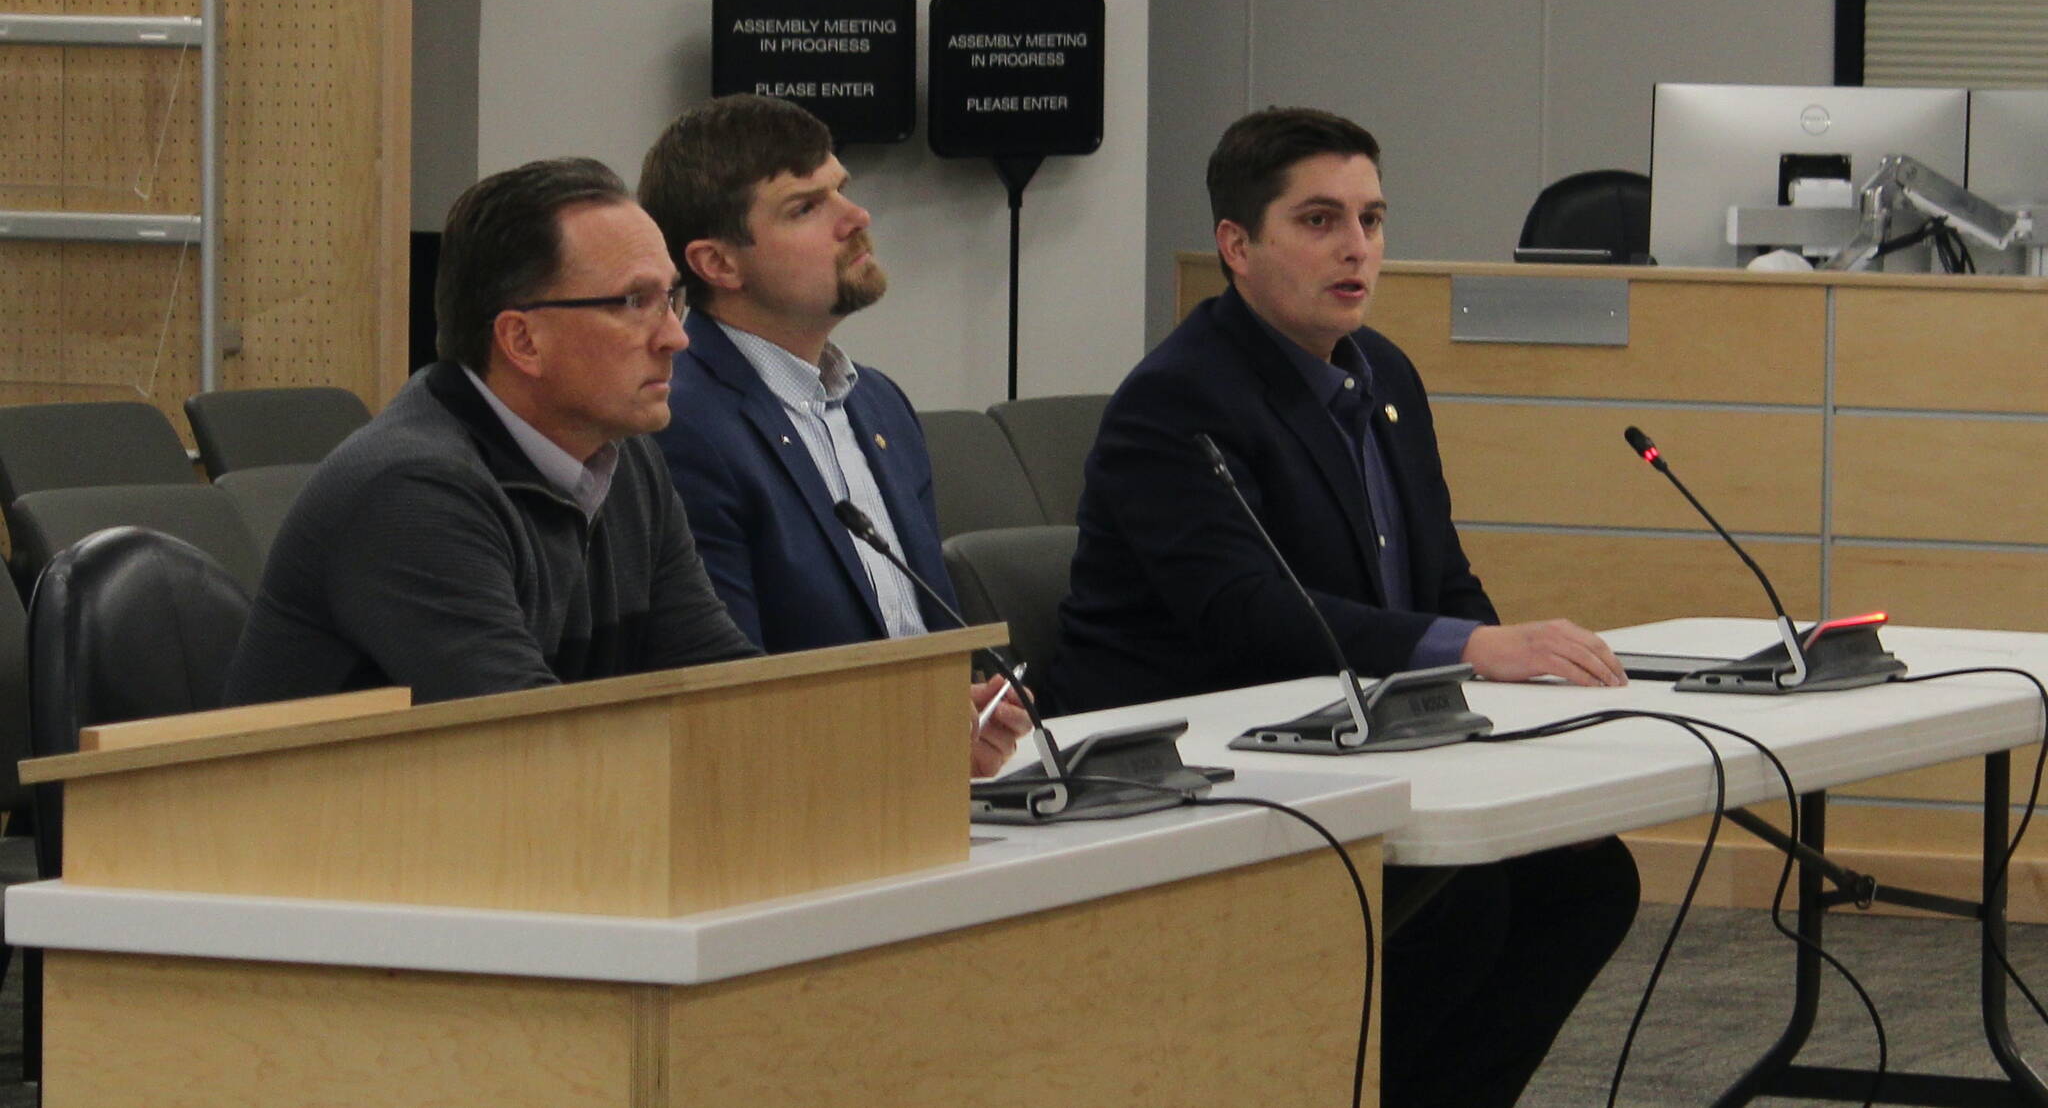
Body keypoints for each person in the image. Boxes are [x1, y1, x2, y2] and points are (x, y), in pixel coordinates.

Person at [1053, 107, 1639, 1108]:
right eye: (1318, 220)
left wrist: (1522, 725)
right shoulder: (1178, 399)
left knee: (1586, 879)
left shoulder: (1385, 375)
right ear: (1236, 247)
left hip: (1348, 740)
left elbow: (1441, 582)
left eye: (1370, 218)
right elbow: (1251, 615)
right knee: (1459, 910)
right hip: (1200, 754)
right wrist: (1480, 646)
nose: (1356, 248)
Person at [224, 155, 1026, 776]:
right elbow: (535, 747)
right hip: (329, 900)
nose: (675, 336)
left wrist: (909, 741)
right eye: (632, 303)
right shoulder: (412, 493)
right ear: (521, 340)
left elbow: (721, 688)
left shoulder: (626, 461)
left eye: (671, 299)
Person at [636, 95, 962, 656]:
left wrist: (975, 705)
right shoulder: (682, 425)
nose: (855, 217)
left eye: (841, 187)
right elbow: (736, 687)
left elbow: (939, 633)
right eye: (805, 208)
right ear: (718, 264)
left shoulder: (881, 403)